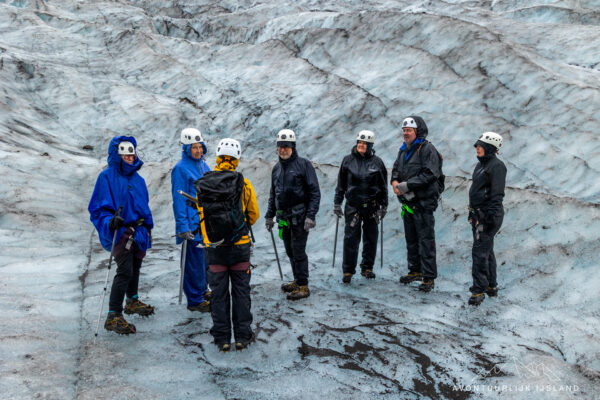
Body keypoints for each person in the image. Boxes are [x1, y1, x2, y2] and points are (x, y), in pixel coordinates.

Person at [196, 138, 259, 352]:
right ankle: (242, 336)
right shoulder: (243, 183)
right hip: (240, 247)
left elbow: (201, 215)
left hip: (214, 249)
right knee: (241, 292)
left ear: (218, 157)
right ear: (236, 159)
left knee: (218, 293)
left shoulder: (205, 183)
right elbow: (254, 214)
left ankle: (221, 338)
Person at [88, 136, 154, 335]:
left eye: (131, 154)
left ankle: (132, 300)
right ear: (117, 155)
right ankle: (113, 314)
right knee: (124, 269)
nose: (129, 158)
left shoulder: (138, 180)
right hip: (120, 231)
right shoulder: (107, 177)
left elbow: (143, 204)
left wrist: (146, 223)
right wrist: (110, 221)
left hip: (138, 230)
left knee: (135, 266)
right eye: (125, 154)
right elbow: (98, 207)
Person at [265, 129, 321, 300]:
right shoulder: (276, 169)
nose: (283, 149)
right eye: (280, 146)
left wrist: (311, 216)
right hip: (283, 218)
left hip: (300, 217)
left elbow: (314, 192)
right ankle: (297, 281)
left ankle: (303, 285)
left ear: (293, 147)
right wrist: (269, 215)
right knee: (289, 250)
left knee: (298, 251)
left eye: (286, 146)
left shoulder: (303, 165)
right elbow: (273, 194)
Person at [391, 116, 443, 292]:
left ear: (417, 131)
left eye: (409, 130)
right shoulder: (403, 150)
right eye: (404, 130)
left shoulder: (427, 149)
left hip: (423, 203)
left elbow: (430, 174)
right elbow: (396, 169)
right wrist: (394, 182)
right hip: (408, 202)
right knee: (411, 238)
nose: (406, 133)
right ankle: (415, 270)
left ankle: (428, 277)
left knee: (426, 240)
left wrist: (407, 185)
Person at [333, 130, 388, 283]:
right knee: (351, 238)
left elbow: (383, 186)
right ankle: (348, 271)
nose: (361, 145)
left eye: (365, 143)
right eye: (359, 142)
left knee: (371, 238)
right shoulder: (347, 161)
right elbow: (341, 184)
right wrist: (337, 202)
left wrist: (384, 205)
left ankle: (367, 268)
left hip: (372, 206)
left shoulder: (377, 162)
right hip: (353, 206)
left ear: (370, 145)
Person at [171, 128, 211, 312]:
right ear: (186, 148)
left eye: (199, 147)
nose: (198, 151)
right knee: (193, 263)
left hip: (204, 221)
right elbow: (178, 199)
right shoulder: (180, 169)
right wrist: (183, 226)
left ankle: (203, 290)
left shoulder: (204, 166)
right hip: (192, 224)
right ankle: (194, 299)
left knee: (204, 260)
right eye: (193, 147)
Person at [467, 132, 506, 306]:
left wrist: (485, 217)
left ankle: (478, 290)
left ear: (490, 148)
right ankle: (491, 285)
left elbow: (497, 195)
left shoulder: (497, 166)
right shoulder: (481, 165)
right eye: (477, 145)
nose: (477, 148)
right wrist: (472, 213)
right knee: (486, 250)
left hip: (488, 215)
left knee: (479, 252)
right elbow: (477, 191)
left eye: (480, 145)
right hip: (479, 214)